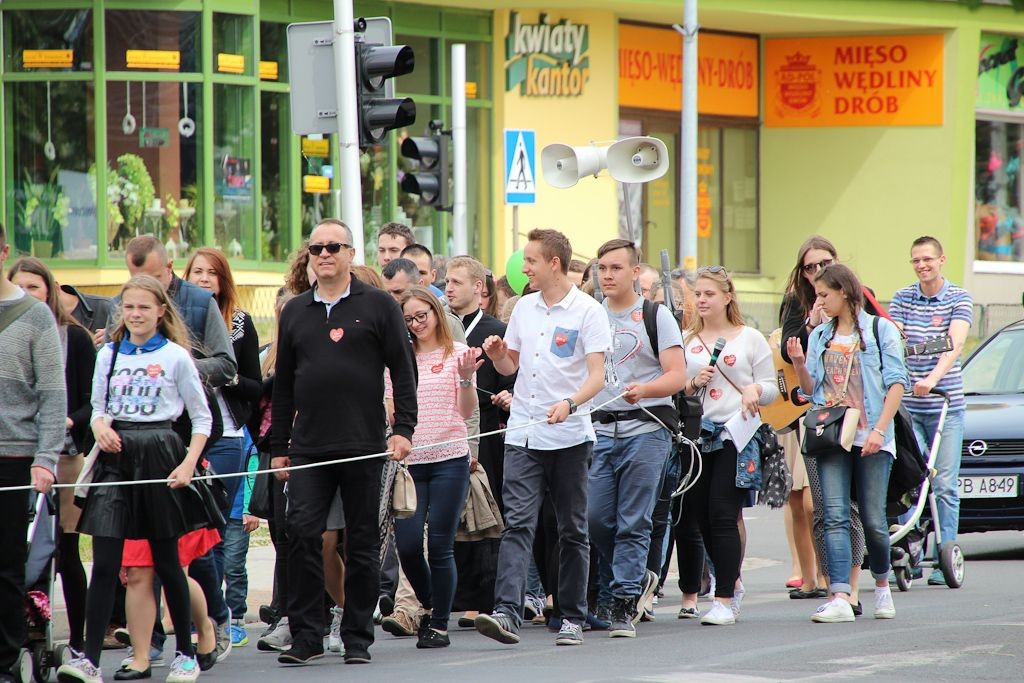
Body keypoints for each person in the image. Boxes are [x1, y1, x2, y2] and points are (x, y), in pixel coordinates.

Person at [271, 218, 417, 665]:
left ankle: (357, 637)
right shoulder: (295, 310)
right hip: (310, 447)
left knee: (362, 544)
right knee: (301, 536)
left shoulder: (378, 305)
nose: (325, 254)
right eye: (316, 249)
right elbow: (283, 388)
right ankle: (307, 635)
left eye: (334, 247)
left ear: (351, 254)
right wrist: (280, 446)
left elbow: (402, 368)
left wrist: (404, 430)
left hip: (365, 444)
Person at [58, 274, 219, 683]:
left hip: (160, 453)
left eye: (144, 307)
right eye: (129, 307)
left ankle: (186, 651)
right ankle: (89, 659)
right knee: (107, 560)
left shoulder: (176, 357)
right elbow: (96, 408)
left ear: (161, 311)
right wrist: (99, 428)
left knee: (167, 561)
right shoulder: (109, 354)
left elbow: (201, 418)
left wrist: (187, 464)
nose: (135, 314)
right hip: (116, 457)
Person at [474, 228, 611, 647]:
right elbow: (510, 368)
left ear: (554, 263)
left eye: (531, 261)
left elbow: (597, 377)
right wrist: (498, 354)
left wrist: (570, 403)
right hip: (523, 432)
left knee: (572, 529)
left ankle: (571, 615)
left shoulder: (588, 311)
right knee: (517, 524)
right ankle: (506, 611)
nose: (524, 268)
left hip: (570, 435)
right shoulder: (524, 309)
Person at [122, 236, 237, 659]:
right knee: (142, 554)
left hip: (193, 438)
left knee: (194, 546)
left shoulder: (198, 302)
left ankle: (215, 619)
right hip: (136, 448)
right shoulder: (129, 305)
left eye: (152, 279)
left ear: (169, 268)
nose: (141, 292)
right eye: (134, 281)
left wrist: (175, 365)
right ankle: (148, 641)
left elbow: (227, 364)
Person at [786, 263, 907, 623]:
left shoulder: (880, 330)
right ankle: (840, 594)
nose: (819, 302)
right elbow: (811, 392)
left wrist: (879, 431)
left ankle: (882, 585)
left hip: (872, 436)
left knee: (872, 519)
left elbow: (896, 384)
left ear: (845, 292)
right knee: (834, 515)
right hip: (833, 435)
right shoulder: (821, 335)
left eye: (824, 294)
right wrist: (798, 363)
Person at [587, 239, 687, 637]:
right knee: (596, 519)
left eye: (615, 268)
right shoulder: (590, 315)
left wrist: (644, 390)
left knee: (634, 520)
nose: (607, 275)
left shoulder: (655, 315)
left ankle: (624, 602)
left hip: (646, 429)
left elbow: (677, 375)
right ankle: (636, 576)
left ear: (634, 272)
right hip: (598, 429)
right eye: (602, 267)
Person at [676, 266, 778, 626]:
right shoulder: (687, 339)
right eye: (698, 295)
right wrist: (690, 383)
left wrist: (754, 390)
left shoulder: (749, 338)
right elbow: (675, 388)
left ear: (727, 297)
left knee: (723, 513)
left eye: (709, 294)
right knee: (699, 515)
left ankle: (724, 598)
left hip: (736, 434)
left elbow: (771, 386)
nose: (702, 300)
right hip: (696, 436)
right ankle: (730, 579)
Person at [7, 258, 95, 653]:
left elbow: (83, 400)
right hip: (28, 446)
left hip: (60, 453)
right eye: (20, 285)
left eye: (35, 286)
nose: (27, 292)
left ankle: (77, 637)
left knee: (63, 548)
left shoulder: (70, 337)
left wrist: (66, 427)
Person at [388, 287, 476, 648]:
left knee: (440, 544)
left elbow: (467, 412)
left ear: (436, 312)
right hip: (410, 462)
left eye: (422, 315)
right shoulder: (399, 358)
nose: (416, 324)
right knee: (407, 546)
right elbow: (392, 410)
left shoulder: (457, 353)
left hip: (449, 458)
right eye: (408, 319)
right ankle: (430, 604)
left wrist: (468, 378)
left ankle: (438, 622)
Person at [183, 247, 263, 644]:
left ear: (223, 280)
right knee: (187, 535)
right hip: (181, 440)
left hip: (227, 435)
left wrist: (219, 372)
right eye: (196, 272)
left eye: (212, 273)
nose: (203, 279)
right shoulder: (175, 320)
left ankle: (217, 619)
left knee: (214, 533)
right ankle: (196, 618)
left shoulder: (240, 323)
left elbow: (254, 385)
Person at [888, 236, 972, 586]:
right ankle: (909, 550)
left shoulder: (958, 298)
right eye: (916, 261)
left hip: (944, 404)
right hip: (910, 406)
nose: (922, 265)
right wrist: (919, 349)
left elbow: (954, 343)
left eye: (927, 259)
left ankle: (944, 554)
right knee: (912, 480)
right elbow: (893, 340)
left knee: (944, 484)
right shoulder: (903, 297)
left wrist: (931, 375)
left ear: (941, 260)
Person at [0, 225, 61, 683]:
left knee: (6, 564)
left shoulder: (35, 316)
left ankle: (5, 658)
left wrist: (46, 457)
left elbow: (53, 394)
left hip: (14, 455)